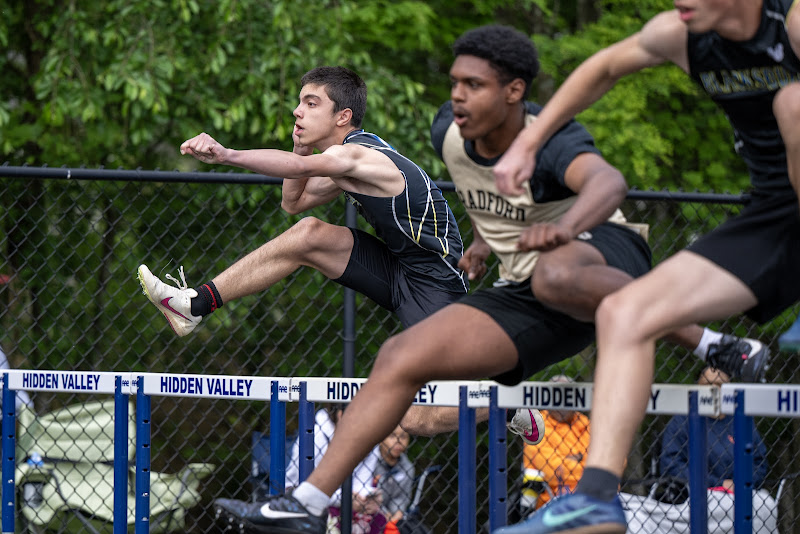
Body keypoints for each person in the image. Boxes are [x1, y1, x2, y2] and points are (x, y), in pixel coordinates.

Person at [211, 25, 771, 534]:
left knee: (552, 274)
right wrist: (481, 243)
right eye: (454, 83)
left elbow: (608, 186)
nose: (457, 96)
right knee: (402, 359)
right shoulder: (452, 139)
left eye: (473, 85)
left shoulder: (549, 136)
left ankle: (714, 344)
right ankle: (305, 504)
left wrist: (564, 229)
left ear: (513, 93)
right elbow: (487, 207)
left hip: (604, 248)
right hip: (529, 287)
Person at [491, 1, 800, 532]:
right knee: (624, 313)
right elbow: (603, 67)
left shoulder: (791, 22)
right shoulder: (680, 34)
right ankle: (596, 500)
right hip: (774, 215)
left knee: (794, 104)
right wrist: (529, 141)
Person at [136, 65, 543, 443]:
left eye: (311, 104)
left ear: (342, 117)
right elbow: (293, 203)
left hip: (434, 282)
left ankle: (505, 401)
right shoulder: (341, 164)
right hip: (396, 266)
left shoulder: (360, 156)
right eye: (298, 102)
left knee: (414, 419)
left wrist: (227, 155)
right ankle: (195, 305)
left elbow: (297, 177)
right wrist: (299, 149)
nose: (297, 111)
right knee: (309, 234)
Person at [621, 366, 774, 534]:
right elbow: (671, 463)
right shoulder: (683, 420)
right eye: (708, 384)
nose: (714, 390)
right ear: (698, 388)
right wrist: (716, 484)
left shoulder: (740, 419)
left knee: (764, 504)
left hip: (740, 494)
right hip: (697, 496)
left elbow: (759, 462)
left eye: (720, 385)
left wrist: (741, 484)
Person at [521, 376, 590, 511]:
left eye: (567, 396)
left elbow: (617, 462)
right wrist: (589, 464)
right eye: (558, 396)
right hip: (553, 503)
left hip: (597, 497)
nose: (562, 403)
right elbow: (554, 473)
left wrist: (567, 461)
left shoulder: (585, 423)